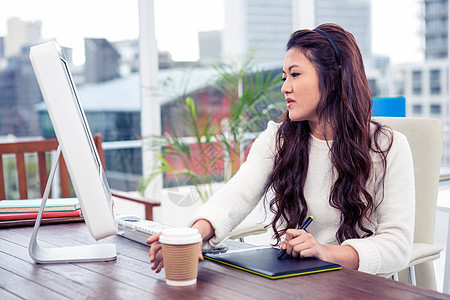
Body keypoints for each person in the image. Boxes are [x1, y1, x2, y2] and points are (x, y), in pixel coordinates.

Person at [148, 23, 415, 276]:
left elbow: (397, 246)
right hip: (295, 281)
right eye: (284, 77)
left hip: (357, 287)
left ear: (333, 79)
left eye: (295, 75)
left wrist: (325, 252)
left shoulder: (387, 147)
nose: (284, 87)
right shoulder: (278, 138)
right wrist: (194, 234)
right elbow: (238, 193)